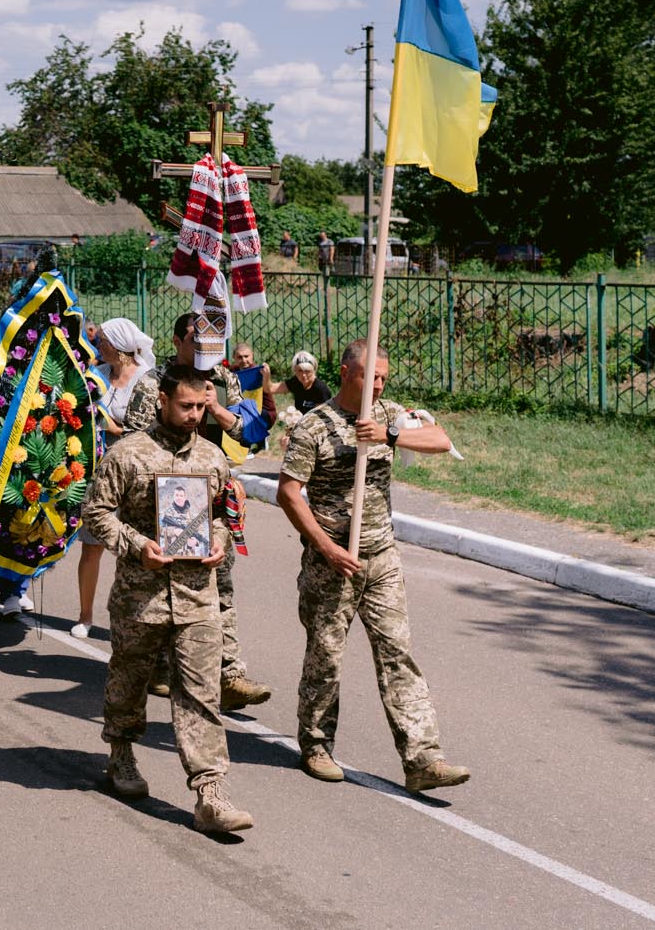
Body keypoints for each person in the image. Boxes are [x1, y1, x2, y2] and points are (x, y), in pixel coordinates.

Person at [276, 340, 471, 794]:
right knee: (325, 657)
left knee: (397, 653)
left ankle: (423, 758)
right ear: (347, 373)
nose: (378, 385)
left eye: (383, 377)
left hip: (381, 557)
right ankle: (316, 744)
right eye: (370, 376)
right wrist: (326, 548)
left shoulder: (388, 415)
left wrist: (389, 436)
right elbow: (288, 493)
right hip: (332, 562)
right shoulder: (315, 426)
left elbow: (441, 440)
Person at [80, 364, 253, 834]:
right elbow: (95, 513)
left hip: (198, 598)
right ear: (163, 400)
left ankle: (211, 792)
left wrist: (219, 540)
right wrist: (138, 546)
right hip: (142, 597)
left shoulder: (213, 458)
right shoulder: (127, 454)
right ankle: (121, 752)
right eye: (186, 406)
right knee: (129, 681)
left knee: (201, 693)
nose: (195, 415)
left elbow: (223, 514)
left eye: (201, 407)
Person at [165, 313, 271, 709]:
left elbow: (253, 432)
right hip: (167, 494)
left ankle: (229, 676)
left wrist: (216, 407)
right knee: (165, 589)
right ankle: (159, 664)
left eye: (211, 339)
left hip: (212, 498)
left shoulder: (224, 379)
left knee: (220, 587)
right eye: (196, 338)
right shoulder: (157, 381)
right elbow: (138, 439)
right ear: (177, 341)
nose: (203, 346)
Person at [74, 316, 158, 638]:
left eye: (103, 341)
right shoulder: (98, 376)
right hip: (99, 472)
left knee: (135, 548)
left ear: (119, 346)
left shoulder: (146, 380)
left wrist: (114, 428)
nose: (98, 345)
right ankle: (85, 616)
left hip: (133, 473)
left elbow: (149, 430)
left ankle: (136, 619)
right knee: (91, 545)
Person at [283, 350, 333, 415]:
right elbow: (273, 388)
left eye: (307, 371)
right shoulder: (296, 383)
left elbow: (323, 414)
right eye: (300, 371)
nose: (303, 375)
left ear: (313, 370)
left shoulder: (320, 389)